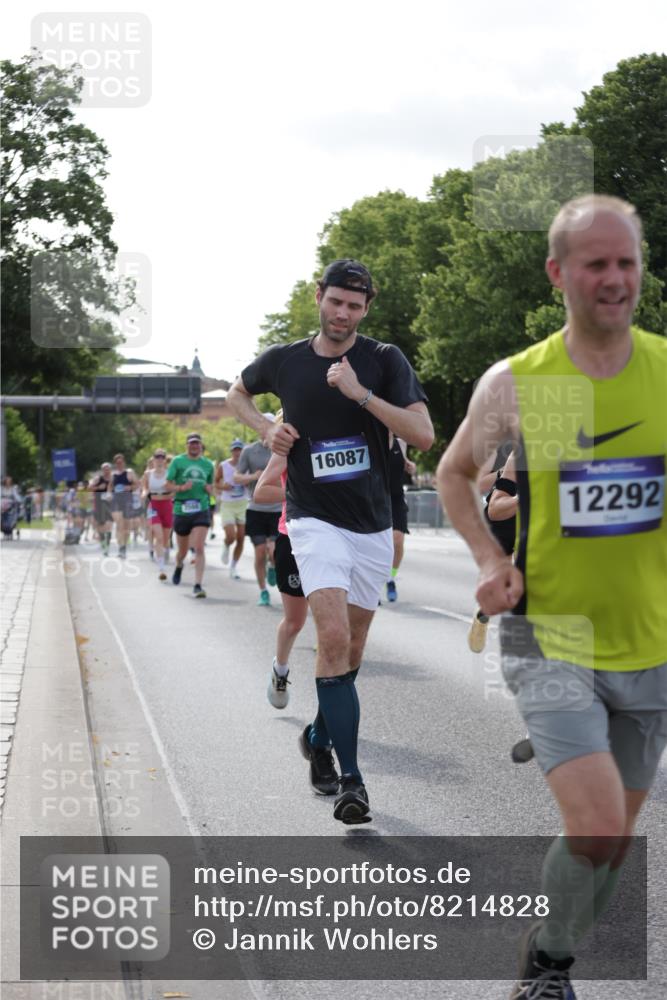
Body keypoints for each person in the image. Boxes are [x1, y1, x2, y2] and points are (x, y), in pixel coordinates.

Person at [437, 194, 667, 1000]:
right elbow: (454, 473)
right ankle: (549, 972)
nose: (614, 279)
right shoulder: (520, 381)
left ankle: (549, 951)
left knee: (616, 838)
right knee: (598, 825)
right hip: (550, 635)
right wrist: (485, 553)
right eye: (595, 263)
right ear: (557, 273)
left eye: (626, 262)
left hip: (652, 643)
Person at [226, 258, 433, 824]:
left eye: (355, 306)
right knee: (333, 637)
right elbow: (235, 392)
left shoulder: (384, 361)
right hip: (313, 519)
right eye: (335, 301)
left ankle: (318, 735)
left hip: (369, 524)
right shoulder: (286, 361)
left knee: (353, 652)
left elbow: (423, 433)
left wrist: (362, 394)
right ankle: (353, 782)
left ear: (366, 310)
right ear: (319, 297)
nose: (343, 313)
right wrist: (266, 428)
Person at [255, 447, 310, 714]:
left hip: (340, 539)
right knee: (295, 622)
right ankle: (280, 670)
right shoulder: (290, 447)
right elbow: (262, 490)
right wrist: (303, 491)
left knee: (334, 623)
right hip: (294, 538)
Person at [467, 442, 518, 652]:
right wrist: (503, 472)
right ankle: (484, 611)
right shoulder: (501, 447)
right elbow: (478, 484)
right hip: (503, 517)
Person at [234, 420, 281, 605]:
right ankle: (263, 591)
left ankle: (273, 567)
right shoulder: (249, 451)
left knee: (274, 551)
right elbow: (237, 477)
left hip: (277, 509)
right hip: (255, 508)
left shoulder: (282, 449)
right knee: (260, 552)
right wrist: (253, 476)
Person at [165, 433, 214, 597]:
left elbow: (211, 486)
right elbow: (167, 484)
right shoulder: (177, 461)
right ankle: (179, 565)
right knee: (183, 551)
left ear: (201, 446)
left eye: (197, 444)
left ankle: (198, 585)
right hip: (181, 508)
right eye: (192, 444)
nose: (194, 446)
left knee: (199, 547)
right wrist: (181, 488)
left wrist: (209, 489)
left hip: (201, 507)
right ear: (187, 445)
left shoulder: (208, 464)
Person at [385, 434, 416, 603]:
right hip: (376, 497)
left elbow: (408, 466)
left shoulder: (401, 443)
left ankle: (391, 578)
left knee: (398, 540)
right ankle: (374, 584)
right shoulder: (373, 438)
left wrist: (411, 467)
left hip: (396, 498)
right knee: (380, 543)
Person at [215, 439, 249, 579]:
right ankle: (226, 545)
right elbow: (216, 482)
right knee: (231, 536)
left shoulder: (247, 466)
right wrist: (224, 487)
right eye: (235, 450)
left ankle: (233, 567)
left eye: (239, 450)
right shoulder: (224, 465)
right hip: (228, 504)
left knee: (240, 538)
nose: (237, 452)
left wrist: (248, 482)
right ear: (231, 451)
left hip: (243, 504)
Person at [142, 449, 173, 580]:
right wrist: (144, 494)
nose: (159, 459)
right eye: (157, 457)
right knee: (158, 537)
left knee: (166, 539)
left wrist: (169, 493)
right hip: (153, 506)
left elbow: (174, 490)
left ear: (165, 460)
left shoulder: (170, 473)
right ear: (153, 459)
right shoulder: (148, 474)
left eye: (162, 457)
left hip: (167, 506)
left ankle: (165, 552)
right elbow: (145, 488)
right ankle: (161, 569)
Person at [110, 453, 137, 559]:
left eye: (121, 462)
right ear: (115, 464)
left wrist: (129, 487)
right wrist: (108, 494)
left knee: (126, 526)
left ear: (124, 462)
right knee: (119, 524)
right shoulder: (114, 474)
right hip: (116, 500)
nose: (119, 464)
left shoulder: (129, 472)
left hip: (127, 500)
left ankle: (124, 547)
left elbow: (137, 484)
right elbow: (110, 486)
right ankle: (121, 547)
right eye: (117, 463)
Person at [89, 463, 113, 554]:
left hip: (110, 505)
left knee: (109, 526)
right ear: (102, 470)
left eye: (108, 469)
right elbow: (89, 487)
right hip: (99, 505)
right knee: (100, 527)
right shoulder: (98, 479)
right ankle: (103, 542)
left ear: (110, 470)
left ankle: (107, 546)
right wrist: (98, 487)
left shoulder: (113, 479)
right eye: (105, 469)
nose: (107, 471)